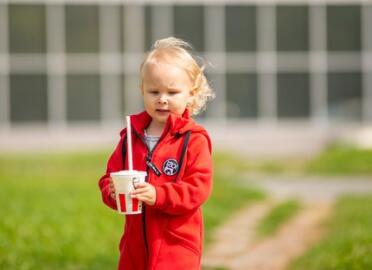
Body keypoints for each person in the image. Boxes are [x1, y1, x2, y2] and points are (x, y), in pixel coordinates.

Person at [98, 36, 215, 270]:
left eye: (172, 92)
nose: (162, 99)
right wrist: (111, 190)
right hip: (134, 247)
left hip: (176, 245)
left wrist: (159, 195)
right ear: (142, 90)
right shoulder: (130, 137)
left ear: (190, 94)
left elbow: (197, 188)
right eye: (154, 91)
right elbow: (109, 177)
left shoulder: (193, 139)